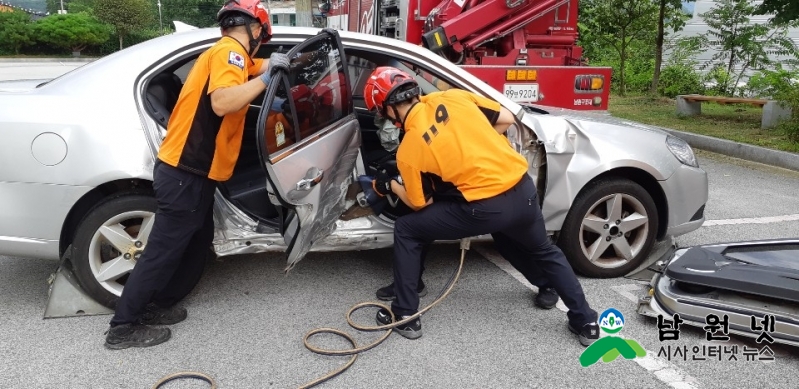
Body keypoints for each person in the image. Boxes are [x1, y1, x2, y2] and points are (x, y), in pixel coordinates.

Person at [363, 66, 599, 346]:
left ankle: (405, 315)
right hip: (522, 190)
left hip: (485, 208)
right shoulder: (453, 97)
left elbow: (418, 202)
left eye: (381, 114)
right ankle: (585, 320)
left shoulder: (411, 148)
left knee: (408, 229)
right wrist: (474, 145)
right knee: (543, 249)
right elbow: (506, 119)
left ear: (388, 109)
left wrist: (389, 185)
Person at [104, 0, 290, 350]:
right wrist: (266, 79)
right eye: (262, 36)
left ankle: (157, 304)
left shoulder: (230, 53)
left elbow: (254, 67)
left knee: (195, 240)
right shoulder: (229, 54)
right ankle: (123, 327)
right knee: (163, 250)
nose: (261, 44)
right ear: (255, 30)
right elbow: (222, 102)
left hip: (191, 171)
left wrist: (289, 63)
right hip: (184, 173)